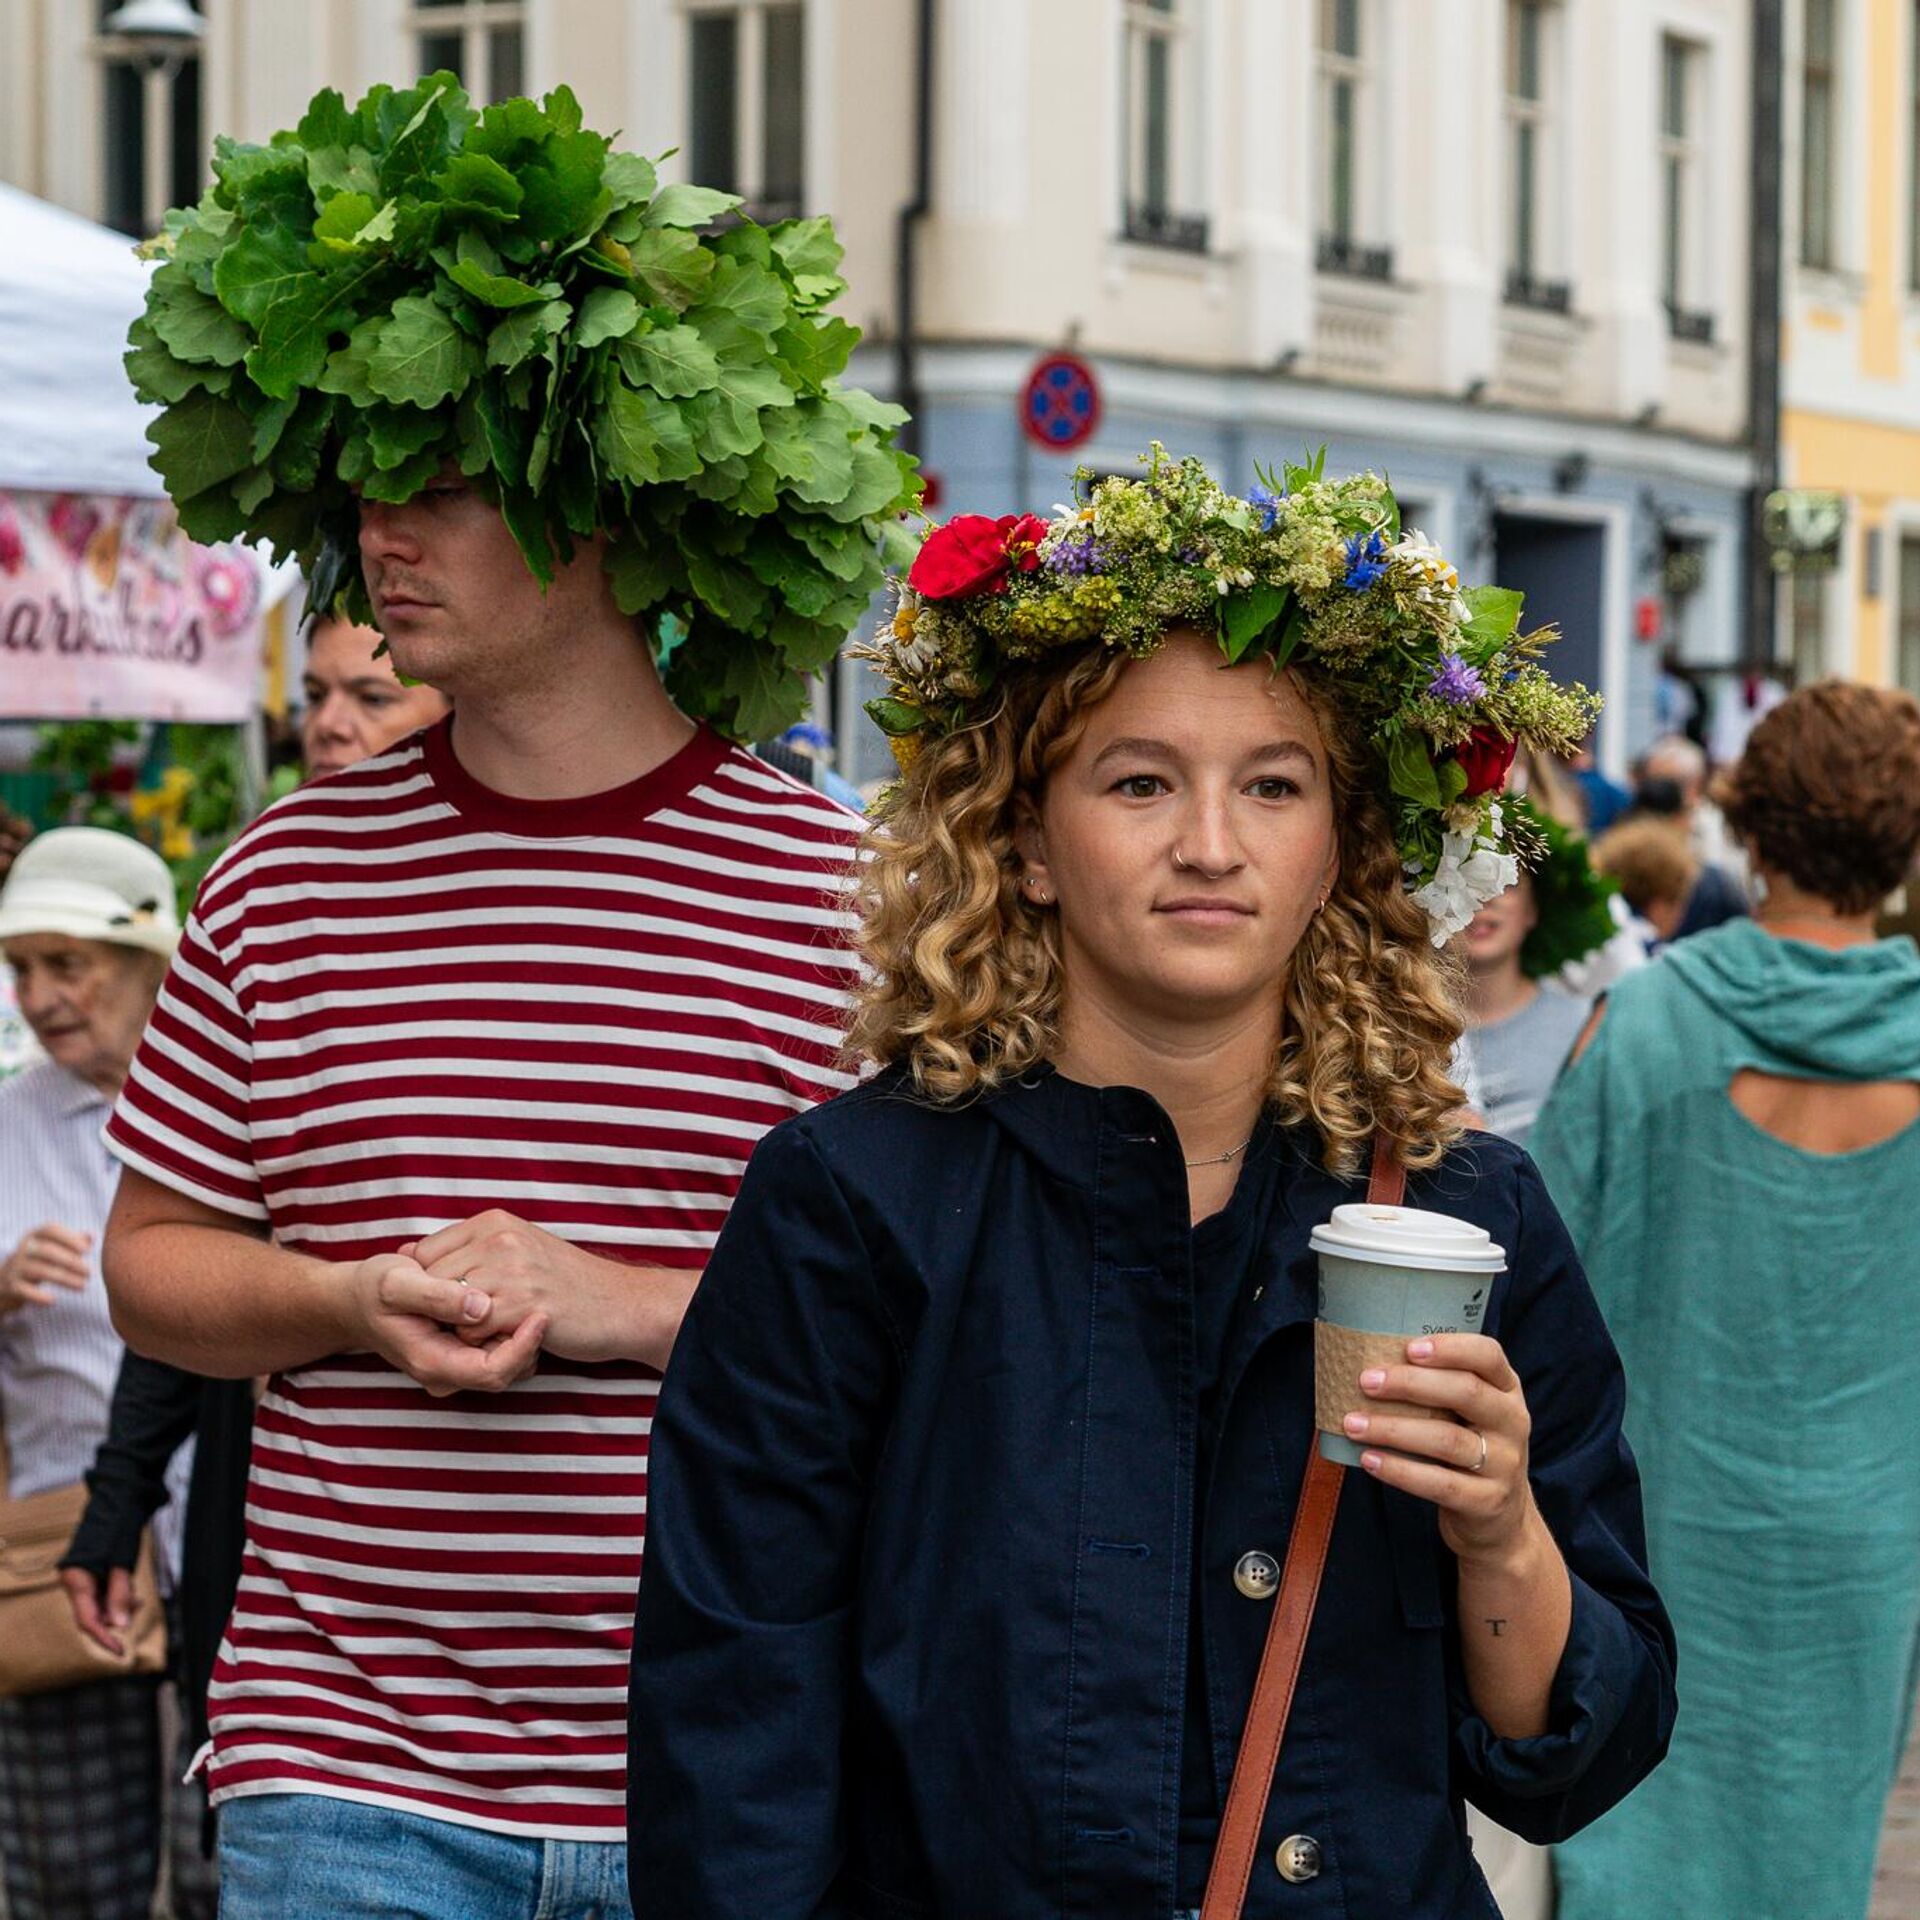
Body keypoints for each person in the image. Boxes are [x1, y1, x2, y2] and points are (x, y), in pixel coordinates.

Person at [625, 453, 1675, 1918]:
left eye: (1272, 786)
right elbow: (734, 1734)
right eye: (1138, 782)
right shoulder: (850, 1203)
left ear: (1336, 853)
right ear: (1030, 842)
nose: (1209, 844)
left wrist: (1501, 1524)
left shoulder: (1471, 1217)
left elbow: (1571, 1760)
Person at [103, 77, 915, 1920]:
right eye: (369, 489)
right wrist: (340, 1300)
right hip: (345, 1778)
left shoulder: (848, 902)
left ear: (610, 505)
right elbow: (156, 1264)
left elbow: (949, 1333)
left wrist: (623, 1306)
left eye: (448, 488)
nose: (385, 537)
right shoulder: (282, 876)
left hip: (737, 1772)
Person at [57, 612, 454, 1876]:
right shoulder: (273, 893)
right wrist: (119, 1505)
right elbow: (175, 1257)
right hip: (302, 1605)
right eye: (317, 698)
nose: (330, 724)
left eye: (371, 698)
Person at [1532, 681, 1920, 1920]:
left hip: (1658, 1529)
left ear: (1745, 833)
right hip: (1868, 1545)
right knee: (1811, 1864)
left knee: (1633, 1847)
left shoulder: (1641, 1026)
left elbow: (1532, 1282)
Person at [0, 826, 211, 1920]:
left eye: (66, 962)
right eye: (21, 967)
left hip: (227, 1549)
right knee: (73, 1879)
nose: (38, 996)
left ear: (153, 962)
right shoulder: (8, 1127)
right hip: (60, 1558)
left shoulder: (234, 1116)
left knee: (231, 1866)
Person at [1456, 802, 1623, 1149]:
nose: (1485, 897)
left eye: (1507, 882)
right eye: (1464, 876)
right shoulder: (1396, 1028)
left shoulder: (1583, 1029)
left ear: (1534, 909)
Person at [1590, 817, 1699, 950]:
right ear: (1660, 908)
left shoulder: (1591, 929)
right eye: (1680, 902)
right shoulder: (1645, 953)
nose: (1681, 916)